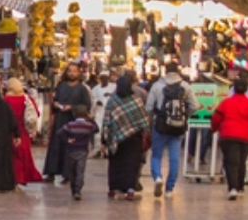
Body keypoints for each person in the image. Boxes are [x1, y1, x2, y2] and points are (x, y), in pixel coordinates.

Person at [210, 72, 248, 200]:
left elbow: (216, 118)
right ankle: (240, 187)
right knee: (241, 161)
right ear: (247, 89)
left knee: (231, 162)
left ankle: (233, 188)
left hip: (228, 136)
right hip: (247, 138)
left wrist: (214, 129)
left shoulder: (225, 103)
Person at [147, 64, 191, 198]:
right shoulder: (185, 86)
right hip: (178, 126)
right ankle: (169, 189)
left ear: (165, 71)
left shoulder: (157, 86)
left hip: (160, 125)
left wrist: (152, 120)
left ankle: (157, 177)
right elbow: (194, 106)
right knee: (174, 157)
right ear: (178, 71)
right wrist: (184, 115)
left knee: (156, 155)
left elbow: (148, 107)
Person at [104, 72, 149, 200]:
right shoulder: (136, 99)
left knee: (116, 164)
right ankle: (130, 189)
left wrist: (105, 138)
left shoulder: (112, 100)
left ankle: (113, 188)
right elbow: (143, 118)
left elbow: (107, 120)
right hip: (134, 137)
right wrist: (145, 131)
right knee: (131, 164)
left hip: (116, 138)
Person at [45, 63, 90, 184]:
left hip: (73, 121)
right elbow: (56, 100)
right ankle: (51, 172)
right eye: (70, 71)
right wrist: (56, 104)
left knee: (70, 147)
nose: (72, 73)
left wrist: (72, 107)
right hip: (60, 120)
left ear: (78, 73)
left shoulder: (82, 89)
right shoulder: (62, 86)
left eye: (74, 71)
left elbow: (86, 105)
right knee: (56, 145)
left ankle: (68, 175)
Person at [3, 78, 44, 186]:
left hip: (10, 131)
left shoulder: (6, 100)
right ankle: (25, 176)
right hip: (24, 131)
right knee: (24, 153)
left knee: (13, 155)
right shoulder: (27, 99)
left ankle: (15, 177)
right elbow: (37, 114)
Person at [58, 105, 98, 201]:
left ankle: (73, 188)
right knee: (80, 171)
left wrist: (67, 140)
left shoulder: (70, 125)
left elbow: (59, 133)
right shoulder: (88, 126)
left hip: (71, 150)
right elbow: (96, 129)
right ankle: (77, 190)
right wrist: (91, 119)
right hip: (83, 151)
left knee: (72, 171)